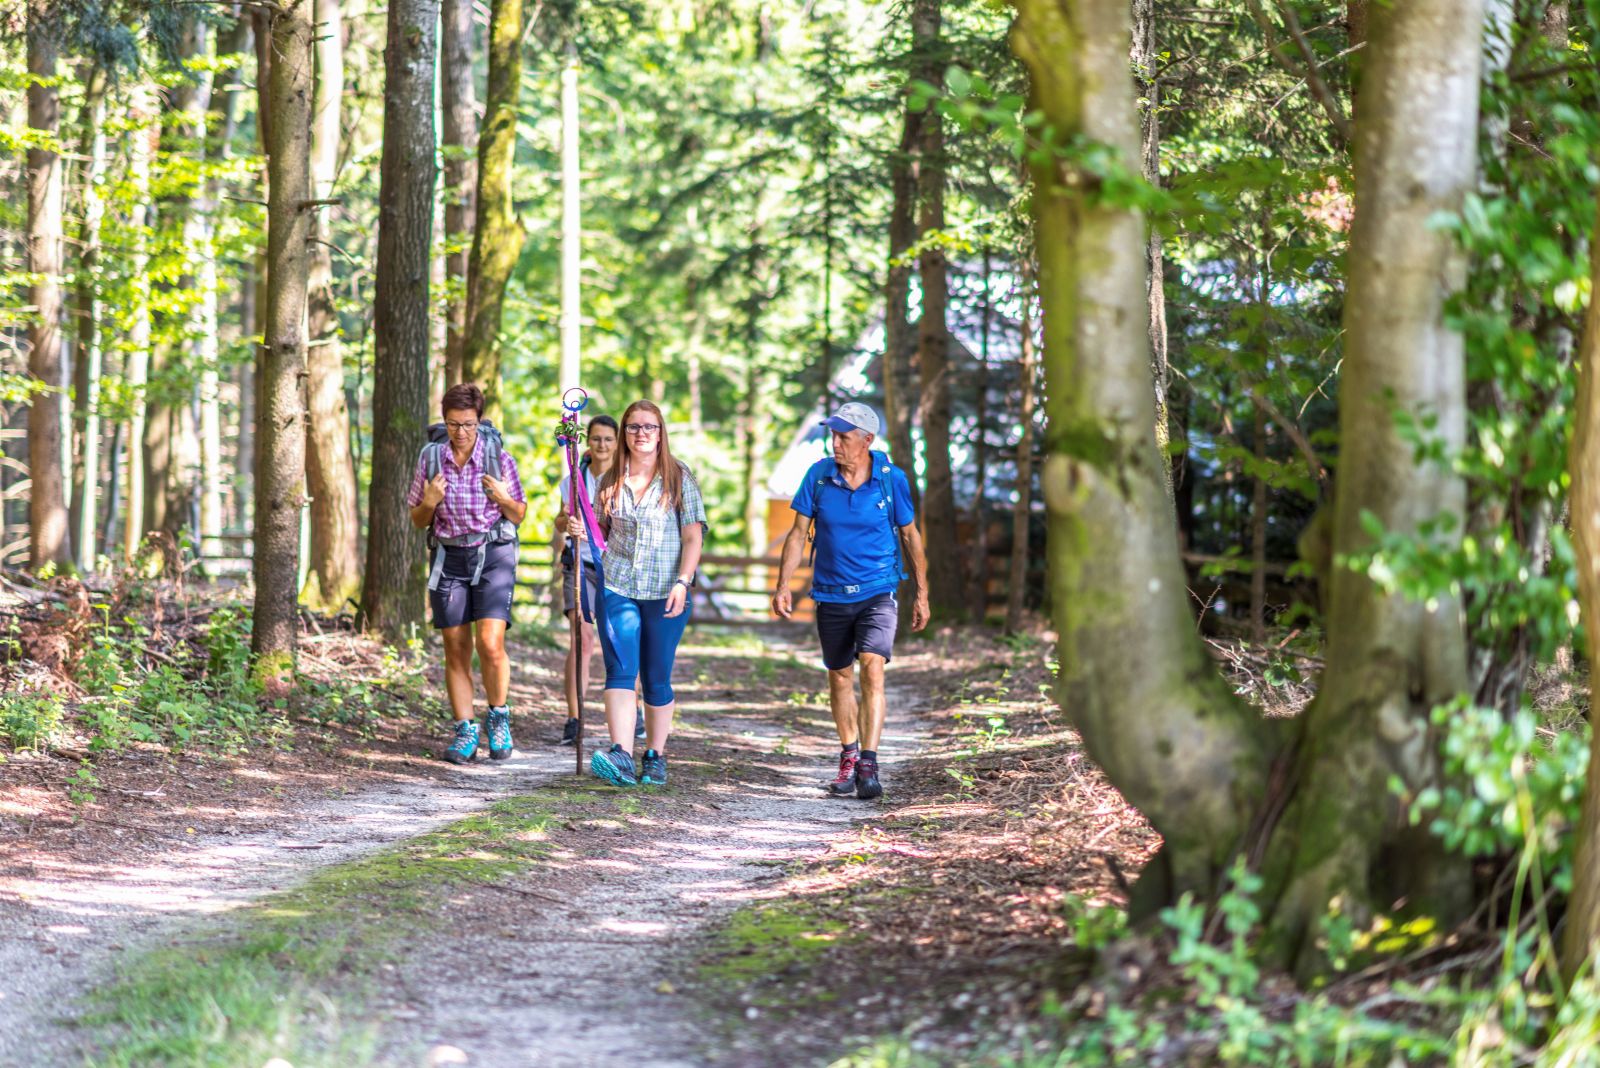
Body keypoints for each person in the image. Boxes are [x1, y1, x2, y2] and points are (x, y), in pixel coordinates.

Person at [771, 402, 929, 800]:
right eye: (834, 435)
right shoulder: (819, 476)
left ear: (867, 441)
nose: (835, 443)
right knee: (840, 675)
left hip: (878, 590)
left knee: (872, 669)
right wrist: (783, 583)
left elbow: (911, 537)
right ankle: (848, 756)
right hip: (830, 592)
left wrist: (923, 594)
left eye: (844, 436)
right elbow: (796, 533)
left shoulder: (892, 480)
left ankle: (869, 764)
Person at [406, 383, 528, 764]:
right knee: (454, 648)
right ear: (445, 421)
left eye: (469, 425)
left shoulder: (499, 459)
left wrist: (504, 498)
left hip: (493, 552)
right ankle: (465, 730)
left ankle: (499, 717)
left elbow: (520, 514)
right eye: (454, 424)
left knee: (490, 644)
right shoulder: (430, 460)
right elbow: (416, 519)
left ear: (480, 421)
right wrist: (429, 502)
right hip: (449, 558)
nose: (461, 433)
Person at [588, 400, 707, 787]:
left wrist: (682, 582)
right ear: (625, 432)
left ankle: (655, 755)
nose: (642, 434)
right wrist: (580, 529)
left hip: (665, 590)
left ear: (661, 433)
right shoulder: (610, 481)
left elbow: (692, 537)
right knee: (621, 670)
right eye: (634, 427)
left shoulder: (678, 477)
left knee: (656, 676)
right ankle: (621, 754)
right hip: (617, 585)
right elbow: (598, 534)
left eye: (650, 427)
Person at [554, 415, 645, 744]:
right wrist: (567, 519)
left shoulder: (627, 477)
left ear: (616, 441)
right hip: (579, 563)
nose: (602, 445)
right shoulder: (573, 479)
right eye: (596, 438)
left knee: (621, 638)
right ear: (587, 441)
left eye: (608, 439)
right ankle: (574, 716)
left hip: (617, 568)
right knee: (582, 638)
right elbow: (559, 522)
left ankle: (631, 711)